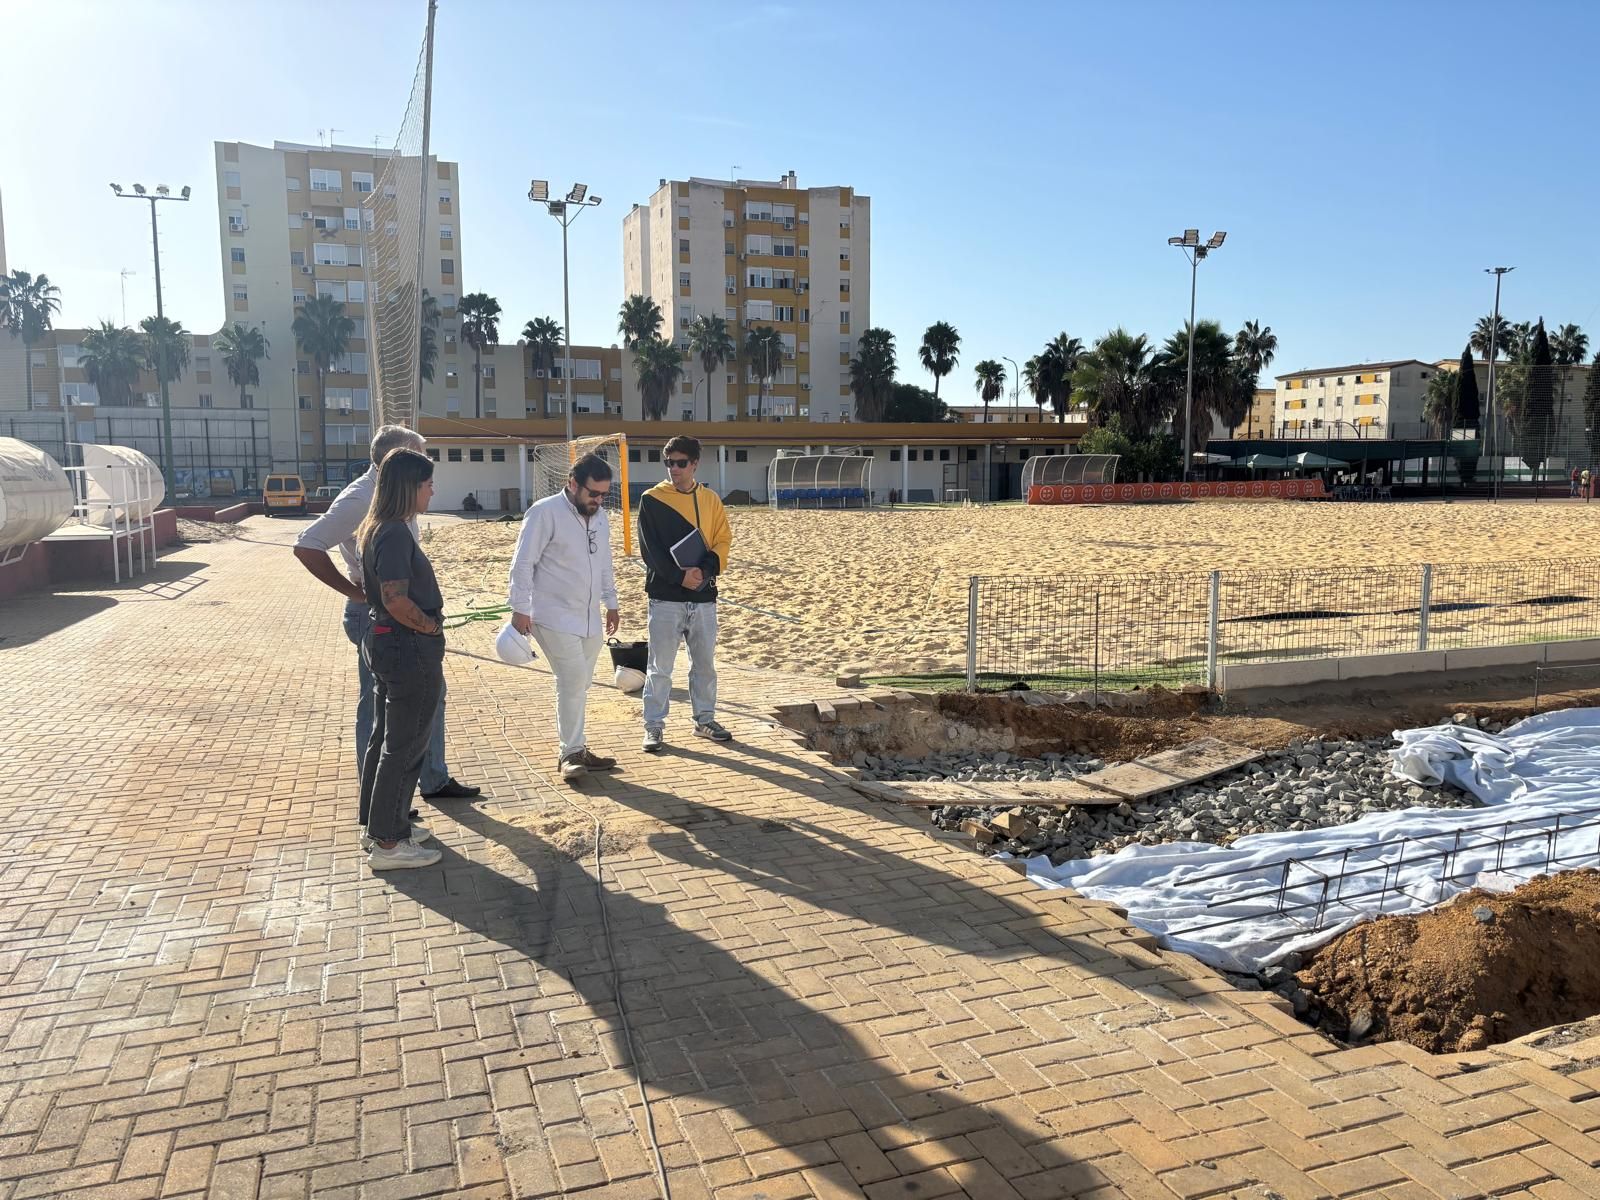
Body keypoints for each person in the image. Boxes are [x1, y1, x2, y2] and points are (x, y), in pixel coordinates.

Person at [293, 425, 479, 821]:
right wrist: (357, 592)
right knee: (383, 714)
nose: (432, 484)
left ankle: (430, 779)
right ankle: (381, 803)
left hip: (395, 615)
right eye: (424, 471)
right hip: (381, 619)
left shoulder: (394, 504)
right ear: (399, 463)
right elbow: (307, 544)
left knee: (428, 699)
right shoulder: (363, 499)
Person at [354, 449, 447, 870]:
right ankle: (389, 843)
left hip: (388, 642)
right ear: (410, 486)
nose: (432, 491)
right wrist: (429, 627)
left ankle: (380, 826)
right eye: (427, 483)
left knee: (385, 739)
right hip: (405, 645)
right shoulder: (392, 531)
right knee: (405, 745)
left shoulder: (379, 527)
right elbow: (395, 599)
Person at [508, 453, 622, 782]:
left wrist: (611, 603)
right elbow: (523, 563)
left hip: (589, 618)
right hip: (551, 615)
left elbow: (604, 563)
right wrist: (520, 609)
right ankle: (570, 753)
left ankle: (579, 747)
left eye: (604, 494)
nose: (599, 500)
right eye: (593, 493)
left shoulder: (600, 518)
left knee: (580, 684)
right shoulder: (544, 513)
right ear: (572, 484)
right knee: (572, 680)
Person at [636, 436, 733, 753]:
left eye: (680, 463)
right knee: (660, 667)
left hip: (703, 598)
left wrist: (703, 573)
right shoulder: (651, 500)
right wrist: (679, 576)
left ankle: (704, 720)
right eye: (669, 463)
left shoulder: (711, 500)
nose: (674, 469)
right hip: (665, 598)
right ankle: (653, 727)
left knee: (704, 665)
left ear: (694, 464)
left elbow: (722, 541)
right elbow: (649, 551)